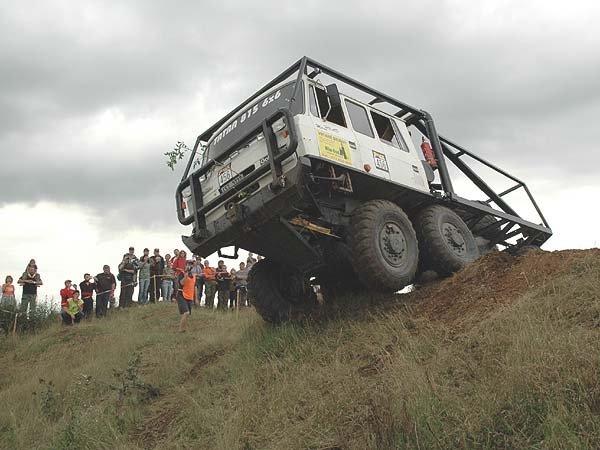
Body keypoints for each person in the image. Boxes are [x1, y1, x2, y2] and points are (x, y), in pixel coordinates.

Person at [176, 268, 196, 332]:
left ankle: (184, 329)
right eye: (189, 264)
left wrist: (196, 298)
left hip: (190, 296)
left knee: (187, 314)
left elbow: (194, 287)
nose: (190, 266)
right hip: (182, 294)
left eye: (192, 264)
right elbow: (181, 283)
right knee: (186, 312)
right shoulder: (182, 274)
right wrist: (185, 276)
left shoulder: (193, 275)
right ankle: (180, 329)